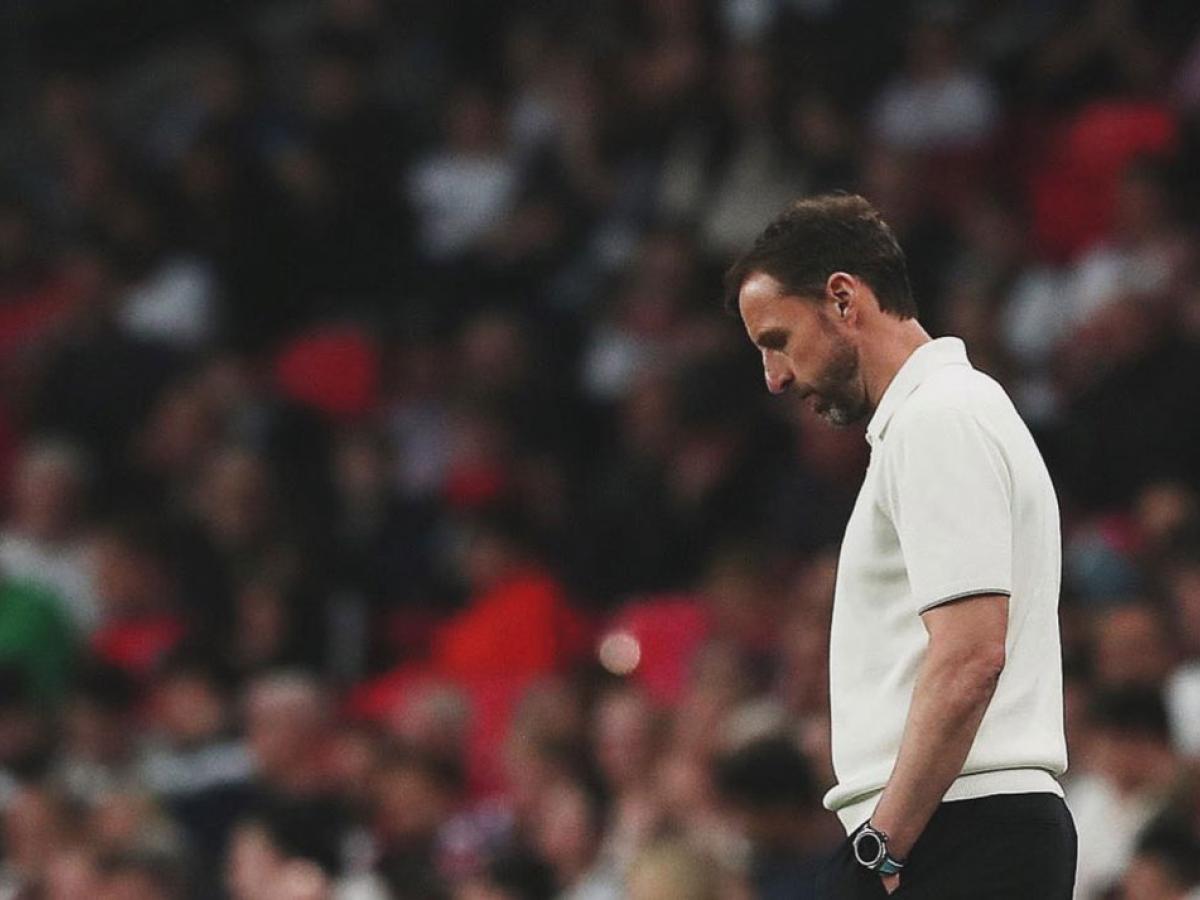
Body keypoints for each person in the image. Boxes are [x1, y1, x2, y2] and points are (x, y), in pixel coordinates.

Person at [724, 193, 1076, 898]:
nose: (774, 378)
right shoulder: (938, 417)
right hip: (955, 826)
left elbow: (971, 653)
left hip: (960, 829)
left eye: (778, 340)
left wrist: (879, 848)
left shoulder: (939, 417)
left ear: (844, 299)